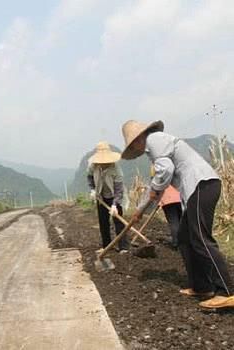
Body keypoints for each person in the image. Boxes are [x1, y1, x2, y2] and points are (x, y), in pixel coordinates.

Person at [121, 119, 234, 309]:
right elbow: (156, 186)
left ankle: (226, 291)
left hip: (202, 184)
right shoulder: (156, 149)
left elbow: (165, 172)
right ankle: (201, 286)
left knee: (200, 238)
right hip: (197, 189)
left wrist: (154, 190)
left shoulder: (155, 139)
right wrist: (140, 210)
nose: (136, 148)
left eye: (134, 144)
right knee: (183, 238)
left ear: (139, 138)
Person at [87, 141, 129, 253]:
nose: (103, 163)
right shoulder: (93, 166)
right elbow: (90, 177)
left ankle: (123, 247)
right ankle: (106, 246)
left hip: (115, 197)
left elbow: (119, 190)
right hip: (101, 196)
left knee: (119, 222)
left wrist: (115, 205)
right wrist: (92, 189)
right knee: (103, 221)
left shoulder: (116, 170)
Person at [150, 166, 182, 248]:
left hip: (167, 198)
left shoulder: (155, 167)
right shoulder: (174, 164)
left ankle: (176, 242)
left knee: (173, 221)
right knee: (181, 220)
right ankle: (185, 242)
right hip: (180, 194)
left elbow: (155, 185)